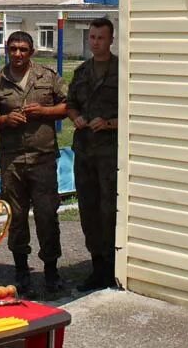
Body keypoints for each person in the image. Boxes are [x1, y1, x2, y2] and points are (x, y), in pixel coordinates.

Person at [0, 30, 67, 294]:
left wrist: (46, 112)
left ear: (31, 52)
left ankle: (51, 270)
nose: (18, 54)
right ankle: (21, 270)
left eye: (23, 49)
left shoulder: (48, 77)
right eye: (13, 49)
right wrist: (5, 120)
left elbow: (69, 106)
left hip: (42, 158)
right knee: (17, 217)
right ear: (7, 51)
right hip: (12, 161)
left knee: (47, 216)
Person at [67, 17, 120, 292]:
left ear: (111, 39)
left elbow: (132, 110)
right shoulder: (81, 72)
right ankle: (96, 265)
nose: (96, 42)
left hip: (110, 153)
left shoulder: (121, 70)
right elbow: (71, 104)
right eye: (92, 37)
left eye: (101, 37)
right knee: (88, 210)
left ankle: (113, 267)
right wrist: (75, 118)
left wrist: (109, 123)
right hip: (85, 151)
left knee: (109, 210)